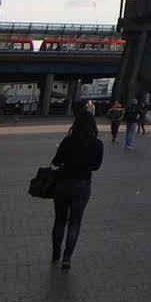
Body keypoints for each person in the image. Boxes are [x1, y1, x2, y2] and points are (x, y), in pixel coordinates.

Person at [49, 106, 104, 269]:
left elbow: (57, 161)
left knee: (59, 220)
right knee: (75, 222)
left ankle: (55, 253)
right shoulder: (97, 144)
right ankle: (67, 258)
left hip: (63, 183)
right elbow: (96, 166)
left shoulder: (68, 141)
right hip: (82, 184)